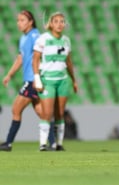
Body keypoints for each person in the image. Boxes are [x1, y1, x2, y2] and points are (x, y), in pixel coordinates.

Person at [0, 10, 55, 151]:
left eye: (22, 20)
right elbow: (20, 58)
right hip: (31, 80)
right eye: (18, 20)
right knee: (42, 113)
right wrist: (9, 75)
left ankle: (8, 143)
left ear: (30, 22)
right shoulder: (24, 38)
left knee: (16, 109)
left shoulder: (35, 36)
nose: (19, 23)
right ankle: (53, 143)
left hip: (32, 80)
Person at [33, 12, 78, 151]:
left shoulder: (66, 40)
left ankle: (59, 144)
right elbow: (35, 60)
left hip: (63, 81)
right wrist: (37, 78)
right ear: (51, 24)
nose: (60, 24)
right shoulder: (43, 39)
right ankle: (42, 143)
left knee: (60, 113)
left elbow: (68, 62)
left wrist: (74, 80)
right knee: (47, 113)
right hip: (48, 80)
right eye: (56, 21)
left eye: (62, 21)